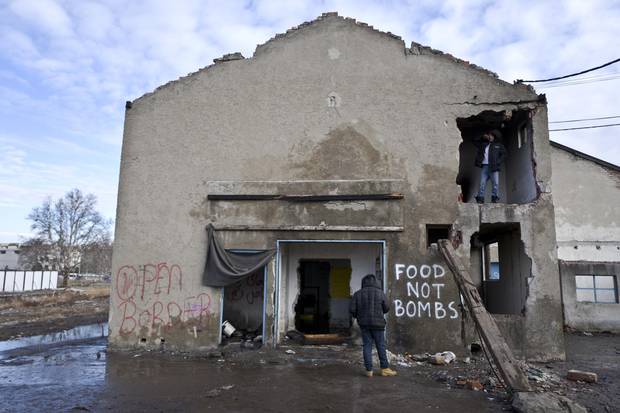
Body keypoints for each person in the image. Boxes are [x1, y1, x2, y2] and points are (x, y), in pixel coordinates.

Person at [350, 274, 397, 377]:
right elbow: (386, 308)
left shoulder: (358, 294)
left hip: (364, 324)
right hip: (378, 324)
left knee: (367, 346)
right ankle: (384, 369)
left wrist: (358, 316)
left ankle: (369, 370)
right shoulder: (380, 293)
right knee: (380, 345)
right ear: (376, 282)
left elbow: (352, 310)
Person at [474, 129, 507, 203]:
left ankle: (494, 199)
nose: (490, 136)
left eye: (492, 135)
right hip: (485, 166)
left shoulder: (499, 145)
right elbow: (474, 141)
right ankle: (480, 199)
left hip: (494, 167)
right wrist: (482, 137)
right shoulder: (483, 144)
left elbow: (504, 154)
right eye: (489, 135)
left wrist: (498, 162)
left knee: (495, 184)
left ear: (495, 136)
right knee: (482, 183)